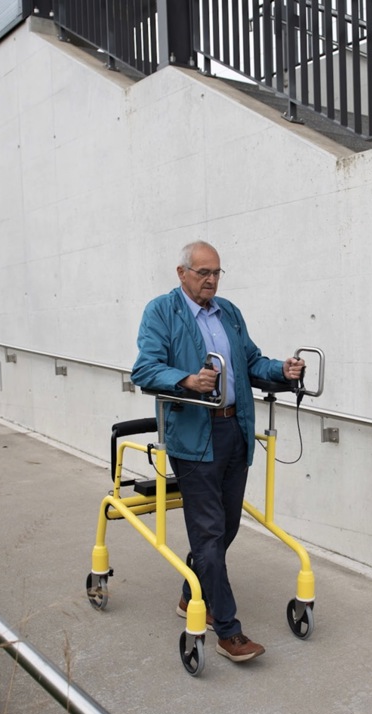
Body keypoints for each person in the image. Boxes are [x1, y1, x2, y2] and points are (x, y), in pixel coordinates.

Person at [130, 240, 304, 663]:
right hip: (193, 436)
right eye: (203, 273)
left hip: (234, 429)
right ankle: (227, 628)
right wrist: (187, 380)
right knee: (208, 533)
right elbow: (144, 369)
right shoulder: (162, 312)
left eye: (216, 273)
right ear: (182, 273)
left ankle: (192, 591)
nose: (210, 281)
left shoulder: (228, 312)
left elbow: (251, 362)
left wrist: (281, 370)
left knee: (226, 527)